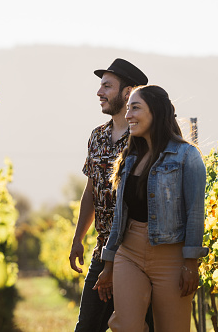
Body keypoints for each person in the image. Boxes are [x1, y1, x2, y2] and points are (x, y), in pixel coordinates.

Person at [95, 85, 209, 332]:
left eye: (135, 108)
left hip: (171, 256)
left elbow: (195, 214)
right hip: (130, 252)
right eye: (127, 109)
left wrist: (190, 263)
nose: (128, 116)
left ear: (155, 112)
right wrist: (109, 263)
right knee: (125, 326)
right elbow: (120, 215)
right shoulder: (131, 157)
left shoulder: (187, 156)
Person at [69, 58, 153, 332]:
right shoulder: (96, 136)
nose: (99, 92)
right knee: (87, 327)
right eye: (100, 86)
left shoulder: (144, 139)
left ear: (127, 93)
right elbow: (91, 192)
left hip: (140, 254)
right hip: (103, 250)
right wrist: (78, 238)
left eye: (107, 86)